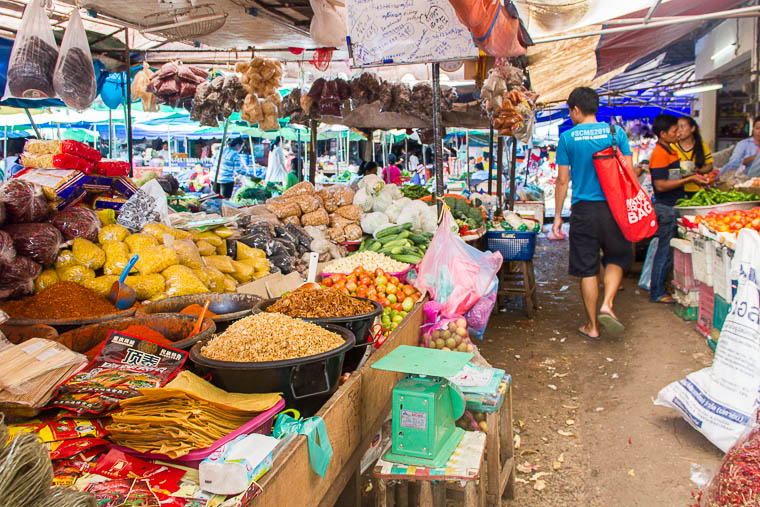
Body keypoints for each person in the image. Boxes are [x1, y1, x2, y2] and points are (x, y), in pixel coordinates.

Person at [552, 87, 633, 340]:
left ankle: (592, 326)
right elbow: (629, 172)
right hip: (615, 208)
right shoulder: (615, 132)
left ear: (575, 109)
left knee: (587, 268)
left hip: (584, 210)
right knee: (616, 257)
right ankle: (608, 303)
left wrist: (557, 217)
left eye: (570, 111)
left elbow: (562, 181)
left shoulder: (568, 138)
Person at [648, 114, 708, 304]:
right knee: (665, 251)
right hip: (666, 207)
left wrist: (694, 176)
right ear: (664, 134)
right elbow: (661, 185)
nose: (678, 133)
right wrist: (689, 179)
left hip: (674, 205)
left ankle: (661, 288)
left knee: (669, 250)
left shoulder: (671, 151)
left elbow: (674, 177)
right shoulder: (659, 154)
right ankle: (657, 292)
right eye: (675, 130)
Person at [673, 116, 713, 193]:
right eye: (677, 128)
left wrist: (699, 170)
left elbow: (709, 166)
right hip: (679, 189)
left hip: (698, 189)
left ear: (692, 128)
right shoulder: (673, 147)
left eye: (682, 127)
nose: (679, 130)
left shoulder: (702, 145)